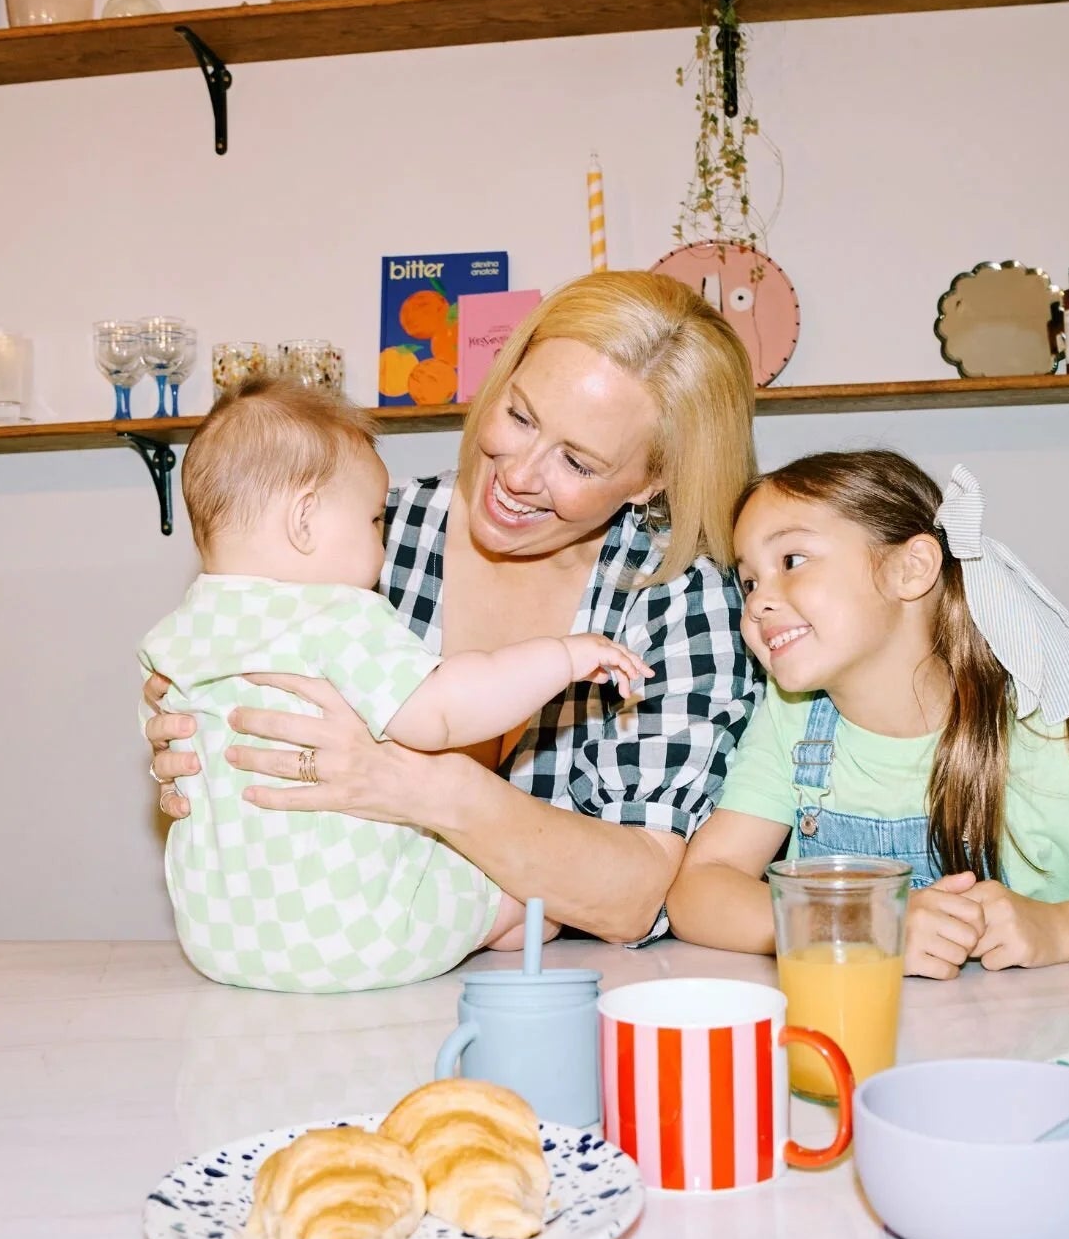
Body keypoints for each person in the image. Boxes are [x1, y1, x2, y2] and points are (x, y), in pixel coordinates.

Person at [145, 271, 760, 950]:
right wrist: (196, 734)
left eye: (578, 463)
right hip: (321, 965)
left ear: (652, 480)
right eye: (520, 416)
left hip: (573, 992)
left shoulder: (678, 599)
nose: (518, 474)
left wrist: (419, 785)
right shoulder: (363, 533)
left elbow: (633, 898)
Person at [665, 451, 1069, 976]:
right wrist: (862, 927)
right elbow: (701, 888)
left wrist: (1058, 930)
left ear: (912, 568)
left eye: (792, 561)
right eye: (749, 581)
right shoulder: (793, 719)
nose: (758, 603)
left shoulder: (1055, 725)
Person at [139, 380, 652, 993]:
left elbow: (169, 743)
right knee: (520, 902)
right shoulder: (338, 614)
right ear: (305, 521)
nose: (382, 543)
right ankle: (495, 921)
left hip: (221, 941)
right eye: (374, 520)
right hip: (363, 936)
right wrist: (562, 657)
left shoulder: (174, 635)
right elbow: (440, 711)